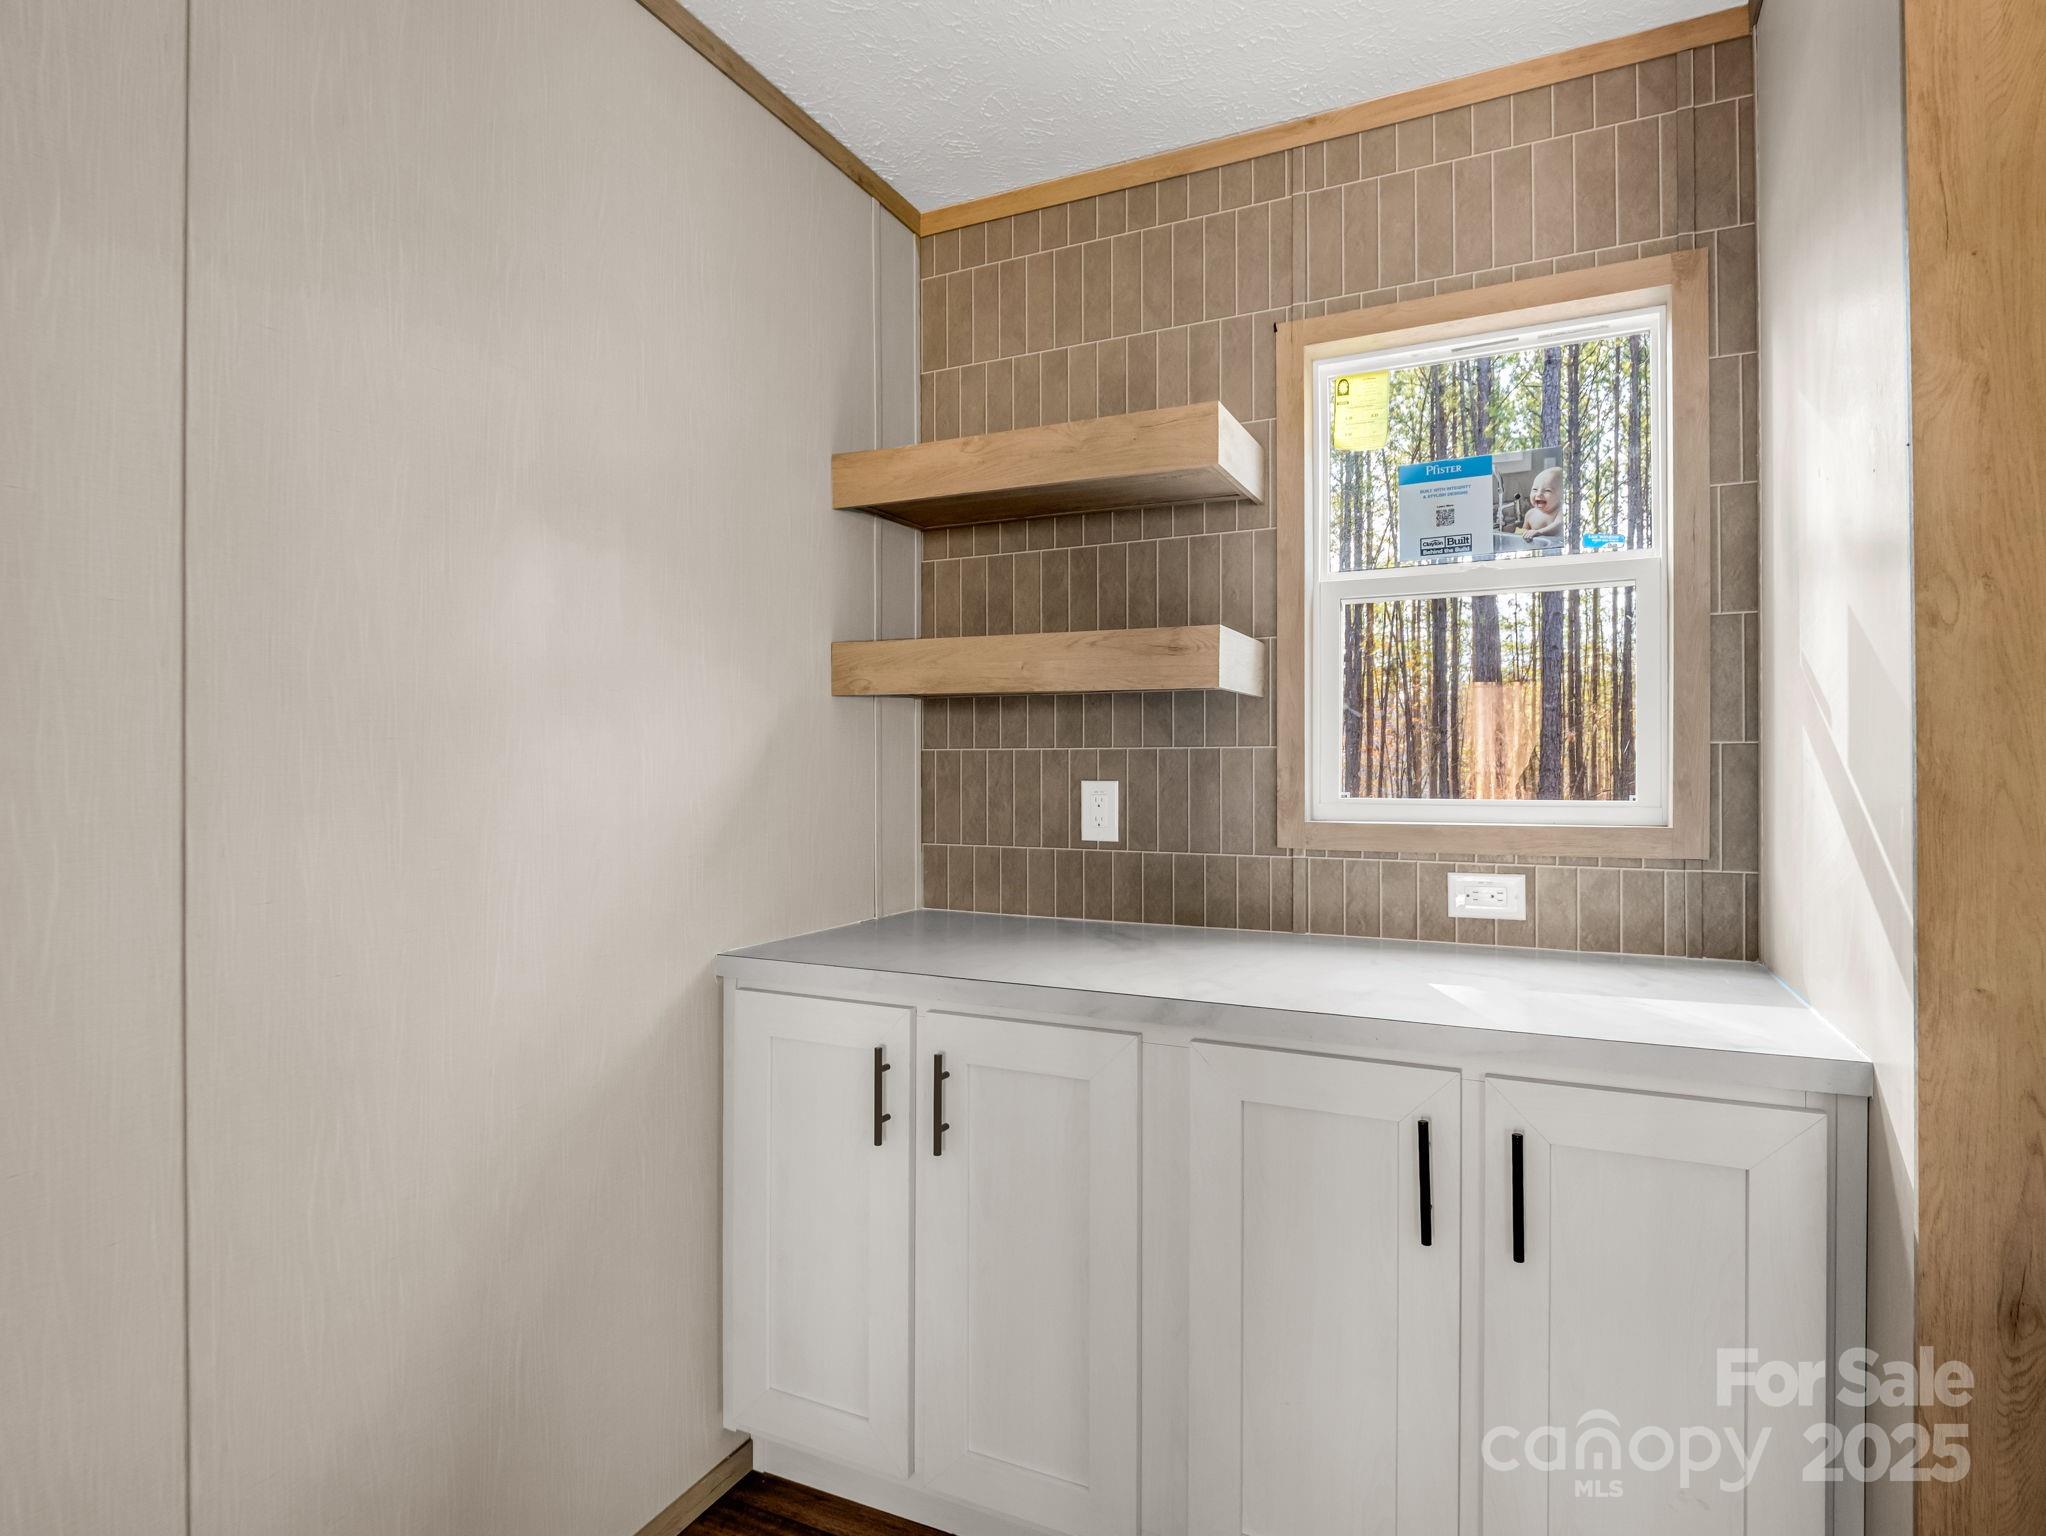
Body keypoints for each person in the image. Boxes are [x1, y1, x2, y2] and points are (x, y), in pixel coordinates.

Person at [1520, 466, 1566, 542]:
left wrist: (1539, 532)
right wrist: (1519, 533)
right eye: (1535, 489)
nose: (1538, 494)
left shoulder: (1560, 511)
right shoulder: (1530, 514)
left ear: (1561, 496)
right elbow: (1523, 534)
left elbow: (1558, 525)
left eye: (1547, 490)